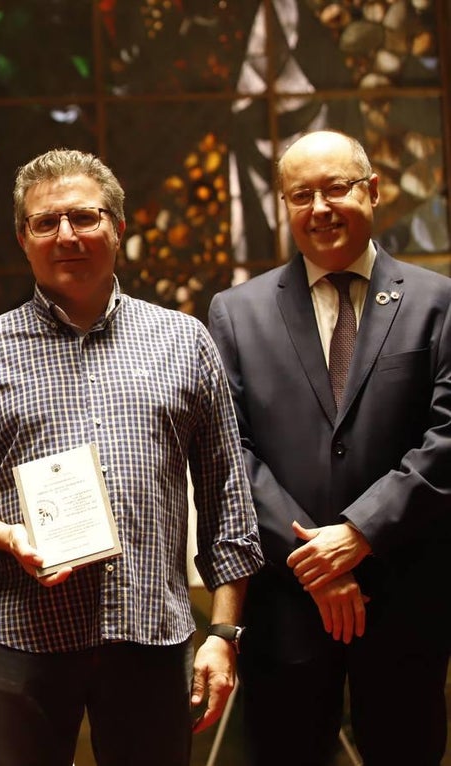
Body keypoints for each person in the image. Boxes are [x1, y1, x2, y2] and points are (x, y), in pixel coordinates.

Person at [0, 148, 263, 766]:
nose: (66, 235)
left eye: (84, 217)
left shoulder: (184, 342)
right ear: (23, 239)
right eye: (46, 222)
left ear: (118, 228)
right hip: (24, 638)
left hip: (153, 635)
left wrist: (224, 635)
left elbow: (227, 504)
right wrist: (6, 535)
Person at [208, 129, 451, 765]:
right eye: (301, 195)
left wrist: (360, 533)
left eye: (337, 188)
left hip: (406, 598)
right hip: (288, 604)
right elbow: (232, 454)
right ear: (285, 207)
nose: (320, 208)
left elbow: (447, 437)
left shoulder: (437, 302)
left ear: (372, 191)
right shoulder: (236, 313)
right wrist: (314, 558)